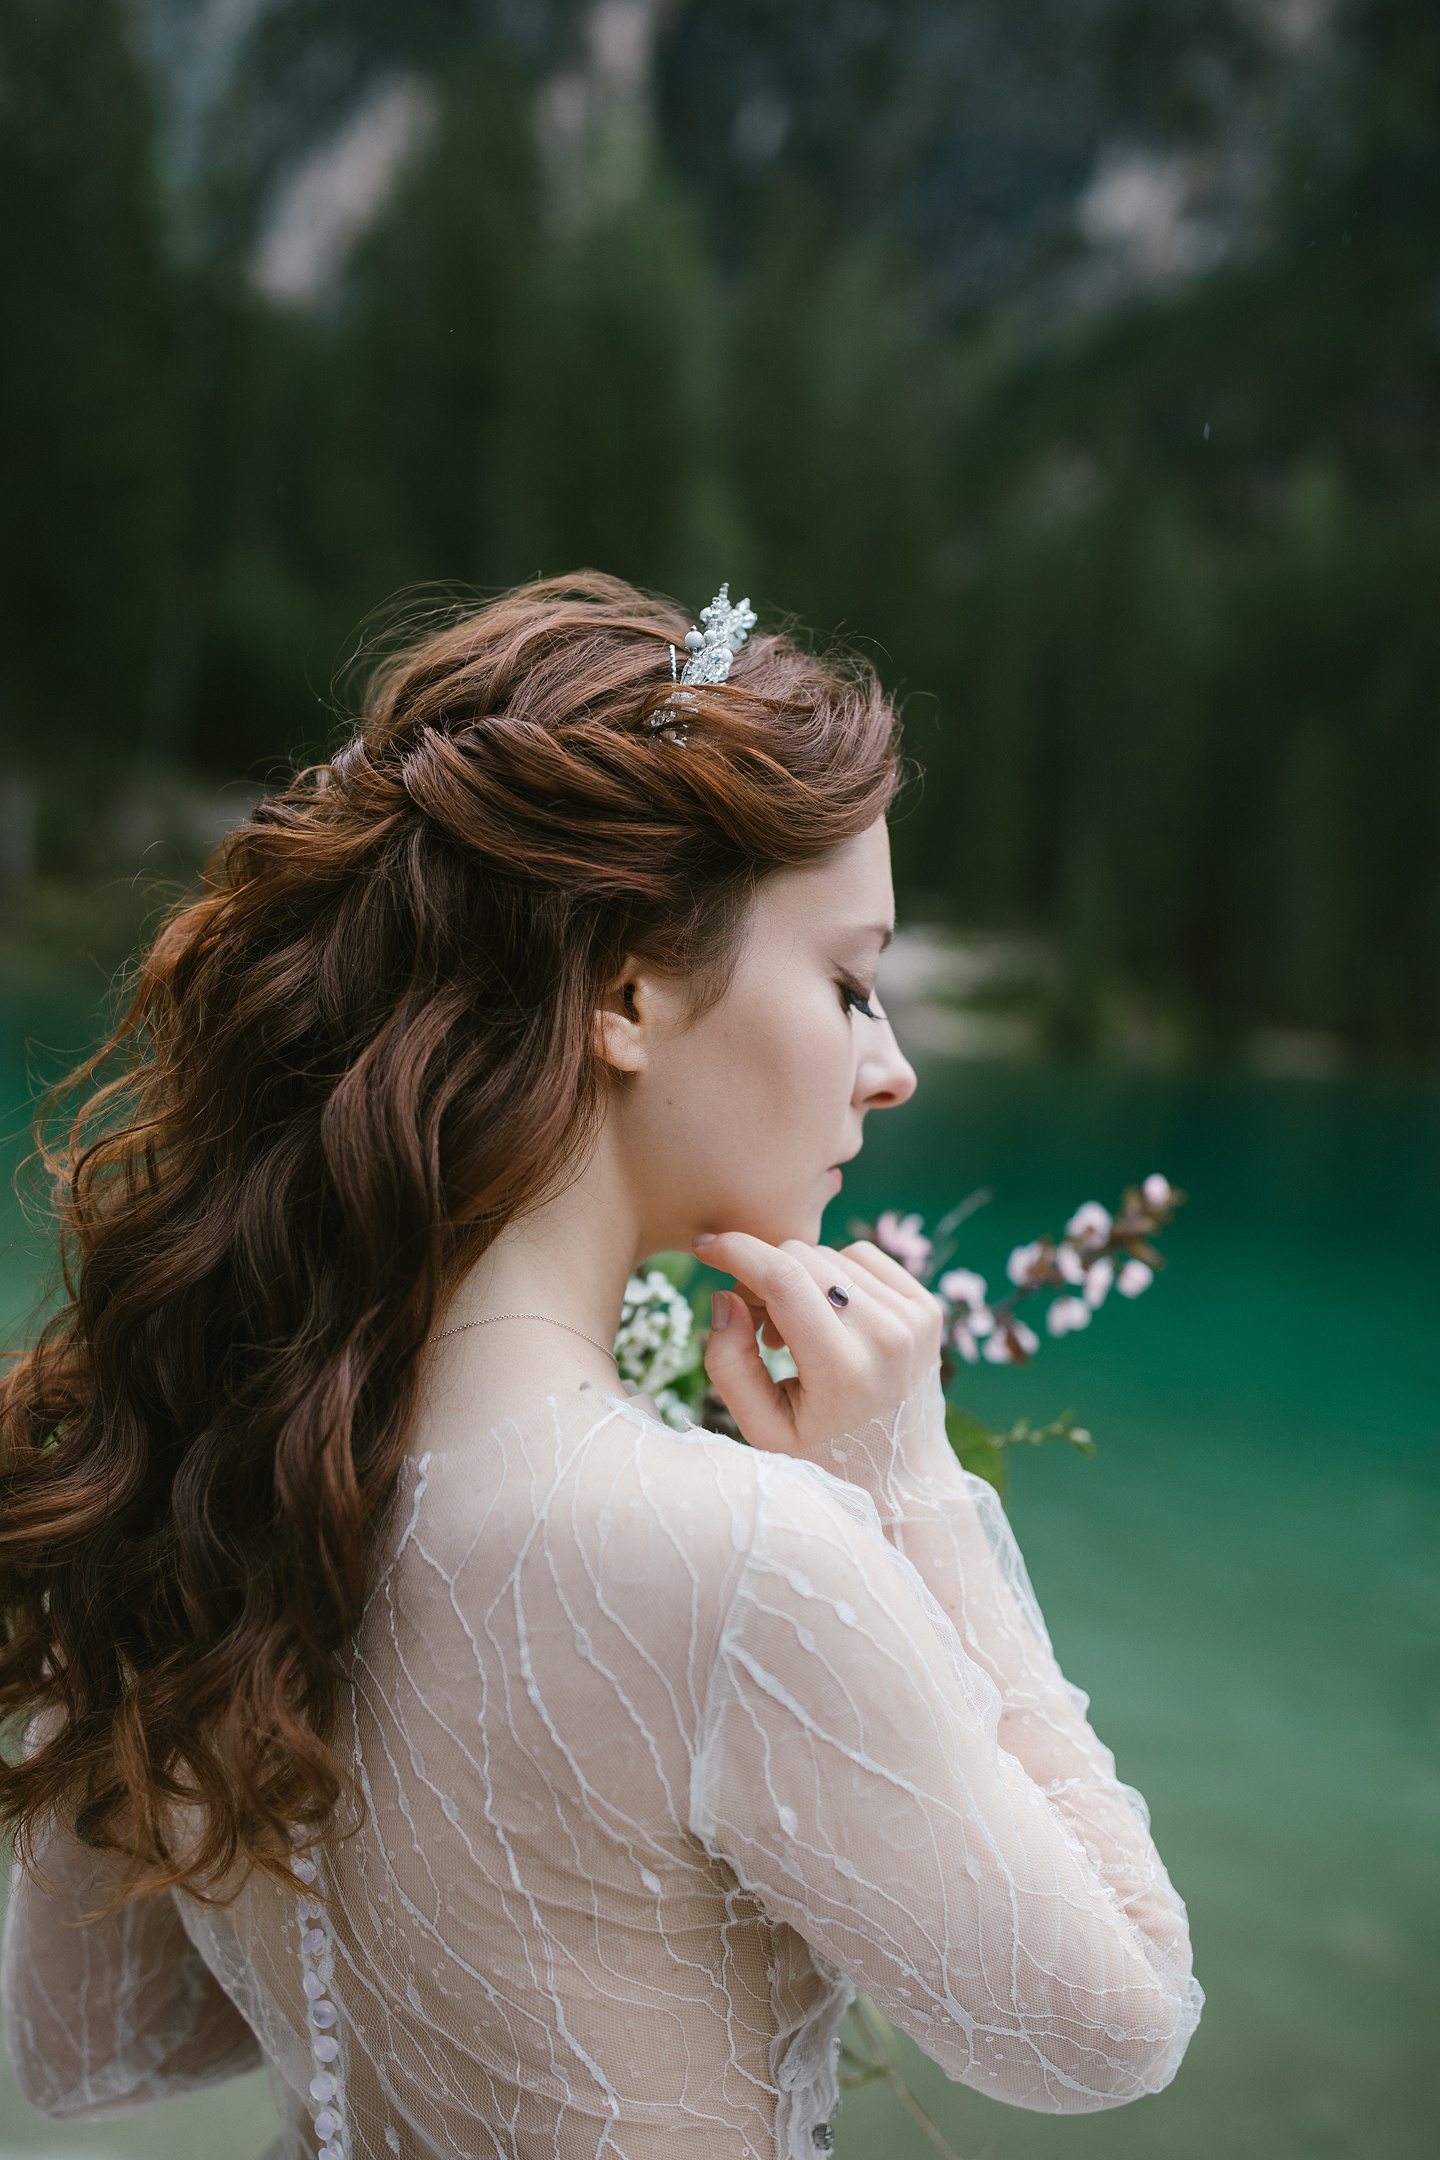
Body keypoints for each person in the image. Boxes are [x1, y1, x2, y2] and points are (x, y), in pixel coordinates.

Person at [0, 574, 1200, 2160]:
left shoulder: (222, 1481)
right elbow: (1112, 2026)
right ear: (626, 990)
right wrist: (906, 1495)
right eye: (847, 980)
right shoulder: (744, 1550)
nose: (890, 1063)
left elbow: (89, 2045)